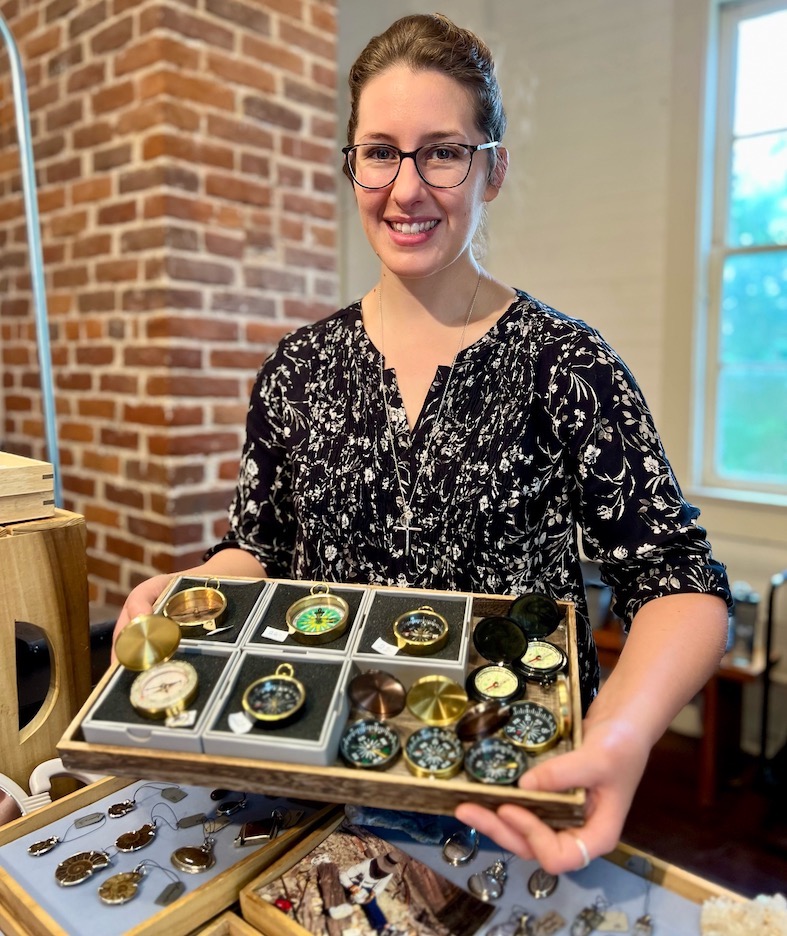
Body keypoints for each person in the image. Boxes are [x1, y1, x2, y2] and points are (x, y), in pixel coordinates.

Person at [114, 13, 731, 874]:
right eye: (379, 152)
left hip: (507, 801)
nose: (406, 189)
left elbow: (678, 582)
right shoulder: (297, 368)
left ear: (493, 168)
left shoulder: (565, 363)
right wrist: (198, 589)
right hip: (315, 789)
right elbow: (258, 547)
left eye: (441, 151)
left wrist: (619, 735)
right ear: (352, 164)